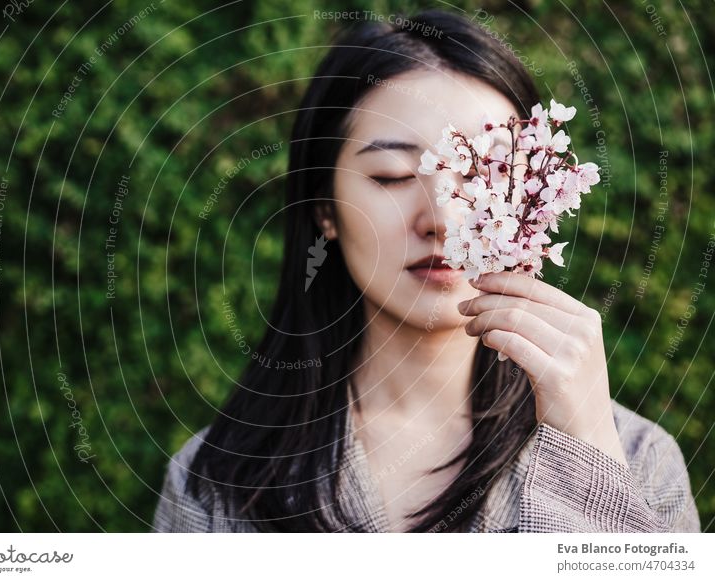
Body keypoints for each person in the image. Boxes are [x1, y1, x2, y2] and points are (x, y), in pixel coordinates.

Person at [153, 9, 700, 533]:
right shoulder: (216, 480)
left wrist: (587, 461)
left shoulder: (635, 459)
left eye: (486, 170)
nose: (442, 217)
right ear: (326, 209)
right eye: (391, 175)